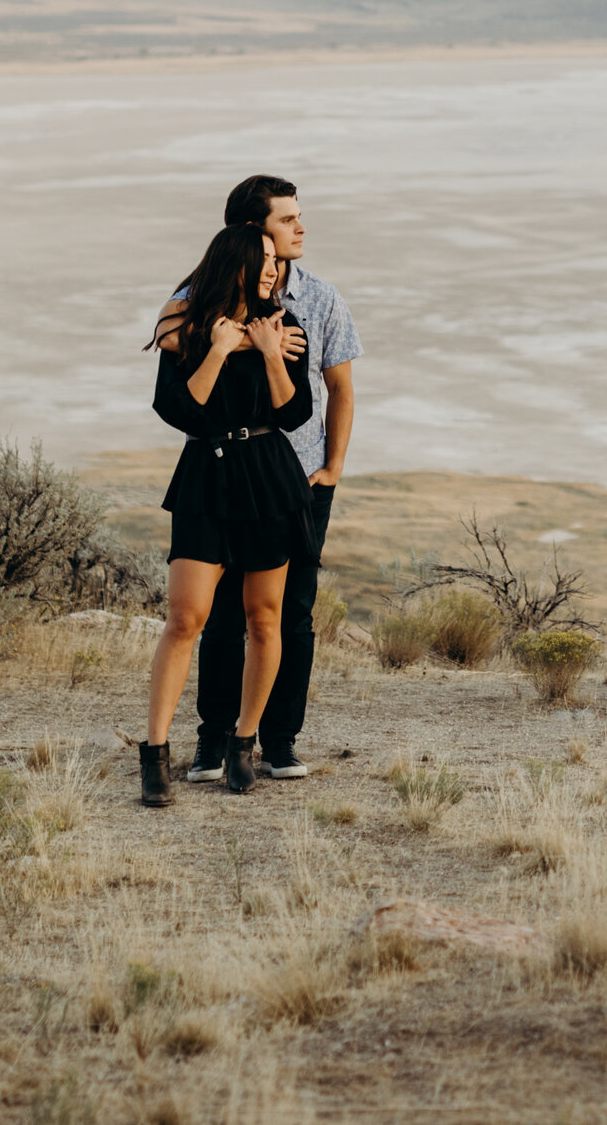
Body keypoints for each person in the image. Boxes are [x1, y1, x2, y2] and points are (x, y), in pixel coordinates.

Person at [152, 175, 361, 784]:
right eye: (286, 220)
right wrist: (237, 345)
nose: (300, 229)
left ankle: (278, 742)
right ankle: (212, 742)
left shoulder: (316, 301)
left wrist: (333, 466)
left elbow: (334, 389)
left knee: (287, 615)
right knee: (213, 619)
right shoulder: (192, 301)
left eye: (299, 218)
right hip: (219, 479)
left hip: (293, 479)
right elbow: (180, 397)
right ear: (249, 232)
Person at [139, 224, 313, 805]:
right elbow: (182, 408)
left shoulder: (285, 328)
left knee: (264, 619)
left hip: (268, 474)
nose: (273, 268)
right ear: (234, 262)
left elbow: (295, 414)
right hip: (206, 476)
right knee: (185, 618)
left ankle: (244, 744)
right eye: (263, 259)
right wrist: (219, 347)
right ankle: (155, 754)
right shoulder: (189, 330)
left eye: (275, 260)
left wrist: (267, 353)